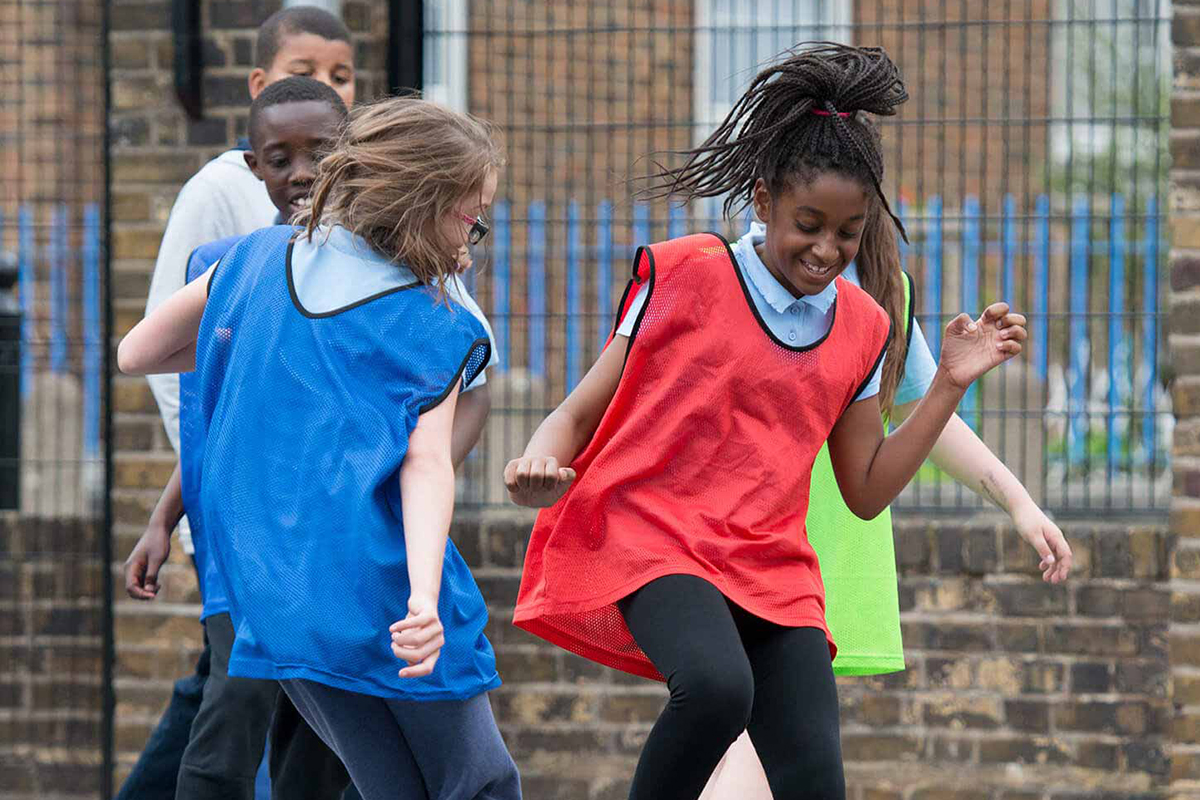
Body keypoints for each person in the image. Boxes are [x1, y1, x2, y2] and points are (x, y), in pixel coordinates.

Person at [503, 44, 1052, 800]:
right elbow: (578, 408)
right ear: (761, 201)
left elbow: (863, 489)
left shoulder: (862, 325)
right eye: (808, 224)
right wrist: (536, 463)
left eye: (848, 233)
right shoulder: (687, 272)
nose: (827, 250)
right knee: (718, 687)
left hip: (769, 562)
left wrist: (948, 385)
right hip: (655, 532)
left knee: (814, 776)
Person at [118, 97, 521, 800]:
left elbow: (138, 352)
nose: (476, 235)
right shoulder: (437, 319)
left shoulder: (254, 260)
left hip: (277, 598)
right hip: (385, 593)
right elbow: (427, 464)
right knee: (481, 783)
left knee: (389, 788)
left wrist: (250, 342)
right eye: (471, 215)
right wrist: (424, 598)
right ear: (421, 201)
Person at [697, 220, 1073, 800]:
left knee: (752, 761)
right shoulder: (734, 272)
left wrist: (1018, 502)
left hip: (819, 571)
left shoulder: (880, 293)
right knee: (751, 762)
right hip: (742, 567)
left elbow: (921, 412)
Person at [120, 10, 358, 799]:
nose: (299, 173)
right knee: (231, 704)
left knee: (319, 726)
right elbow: (190, 384)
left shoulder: (369, 268)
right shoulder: (236, 255)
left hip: (329, 537)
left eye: (339, 74)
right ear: (255, 164)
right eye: (279, 159)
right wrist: (175, 515)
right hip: (243, 532)